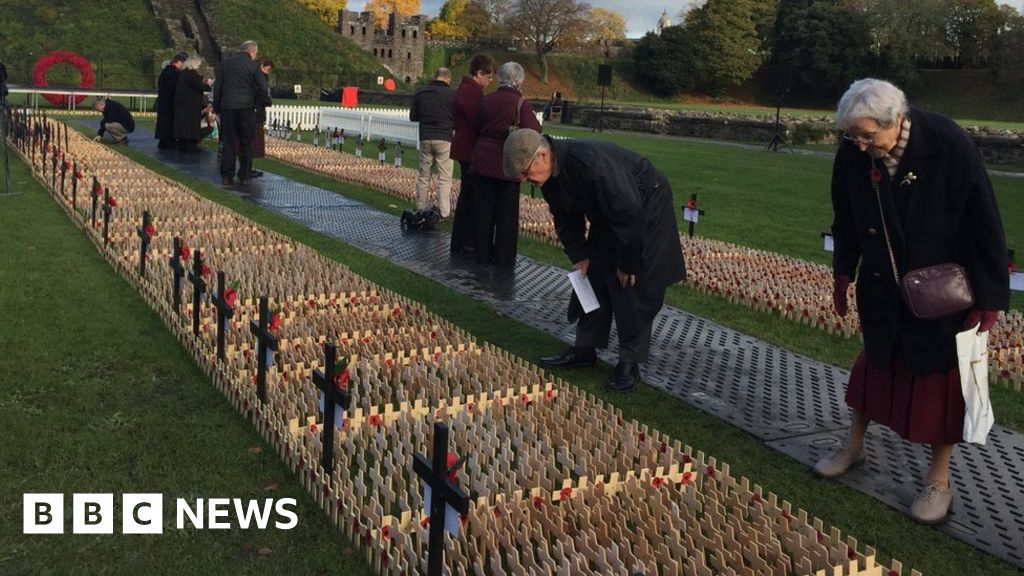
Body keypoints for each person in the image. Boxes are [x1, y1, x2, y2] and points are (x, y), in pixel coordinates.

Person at [815, 78, 1009, 525]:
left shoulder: (948, 142)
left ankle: (939, 480)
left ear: (896, 120)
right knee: (874, 369)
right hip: (884, 284)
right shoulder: (853, 150)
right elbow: (844, 212)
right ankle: (854, 446)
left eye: (868, 136)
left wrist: (990, 296)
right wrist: (844, 269)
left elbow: (985, 220)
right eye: (852, 136)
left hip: (941, 290)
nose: (860, 145)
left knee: (940, 389)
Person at [503, 129, 686, 391]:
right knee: (593, 275)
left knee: (633, 283)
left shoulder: (589, 165)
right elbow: (565, 218)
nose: (523, 180)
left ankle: (629, 363)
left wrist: (628, 262)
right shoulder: (549, 176)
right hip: (611, 211)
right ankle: (585, 349)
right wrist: (580, 255)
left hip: (645, 204)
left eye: (524, 172)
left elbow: (628, 212)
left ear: (542, 155)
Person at [468, 61, 541, 266]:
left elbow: (475, 125)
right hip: (507, 163)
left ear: (500, 78)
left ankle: (482, 255)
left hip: (482, 160)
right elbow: (534, 131)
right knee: (506, 216)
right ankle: (503, 258)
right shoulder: (520, 103)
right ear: (518, 81)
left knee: (483, 213)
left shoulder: (486, 100)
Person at [449, 53, 495, 254]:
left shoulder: (468, 89)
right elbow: (477, 119)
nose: (490, 81)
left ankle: (464, 239)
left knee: (469, 195)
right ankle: (466, 240)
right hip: (469, 148)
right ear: (479, 73)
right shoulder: (470, 91)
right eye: (488, 76)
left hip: (466, 146)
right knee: (471, 196)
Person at [213, 40, 268, 186]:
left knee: (229, 143)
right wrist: (257, 103)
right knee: (246, 142)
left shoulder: (225, 64)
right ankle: (244, 174)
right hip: (246, 108)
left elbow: (218, 88)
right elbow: (263, 87)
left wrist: (217, 107)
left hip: (228, 108)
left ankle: (227, 176)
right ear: (252, 52)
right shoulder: (253, 66)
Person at [410, 67, 456, 219]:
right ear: (448, 79)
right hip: (444, 137)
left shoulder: (420, 92)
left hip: (425, 136)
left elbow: (413, 117)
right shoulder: (452, 95)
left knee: (424, 175)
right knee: (444, 177)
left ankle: (420, 207)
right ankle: (444, 212)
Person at [172, 56, 211, 151]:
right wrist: (208, 85)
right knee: (190, 126)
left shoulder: (184, 73)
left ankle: (183, 144)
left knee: (184, 125)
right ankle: (190, 145)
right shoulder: (191, 74)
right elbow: (199, 86)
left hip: (184, 104)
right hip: (190, 105)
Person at [155, 52, 187, 149]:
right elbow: (173, 88)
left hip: (163, 101)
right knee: (169, 122)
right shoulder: (173, 73)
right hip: (169, 102)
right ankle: (169, 141)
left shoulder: (166, 71)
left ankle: (163, 141)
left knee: (164, 122)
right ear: (180, 62)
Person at [251, 57, 273, 173]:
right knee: (253, 141)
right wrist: (268, 101)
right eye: (267, 69)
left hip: (254, 111)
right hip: (256, 112)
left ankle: (248, 167)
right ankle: (248, 168)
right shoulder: (259, 79)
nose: (268, 72)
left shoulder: (253, 75)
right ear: (262, 66)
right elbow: (262, 95)